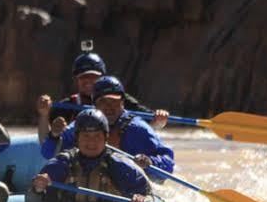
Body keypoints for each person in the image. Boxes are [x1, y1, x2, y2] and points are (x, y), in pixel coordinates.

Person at [17, 108, 151, 202]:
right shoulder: (61, 164)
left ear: (106, 137)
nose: (91, 143)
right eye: (86, 136)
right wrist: (38, 189)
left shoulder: (121, 166)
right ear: (77, 138)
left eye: (97, 136)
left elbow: (149, 198)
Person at [41, 75, 175, 174]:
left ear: (123, 103)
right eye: (104, 102)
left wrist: (150, 162)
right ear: (95, 104)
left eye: (115, 102)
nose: (110, 108)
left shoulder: (137, 128)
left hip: (128, 186)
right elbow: (48, 153)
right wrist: (54, 135)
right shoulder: (82, 124)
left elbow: (168, 162)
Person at [36, 52, 168, 142]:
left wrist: (159, 120)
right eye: (84, 77)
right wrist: (44, 114)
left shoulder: (119, 98)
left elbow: (151, 123)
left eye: (94, 77)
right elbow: (45, 141)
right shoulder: (66, 106)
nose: (89, 81)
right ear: (76, 79)